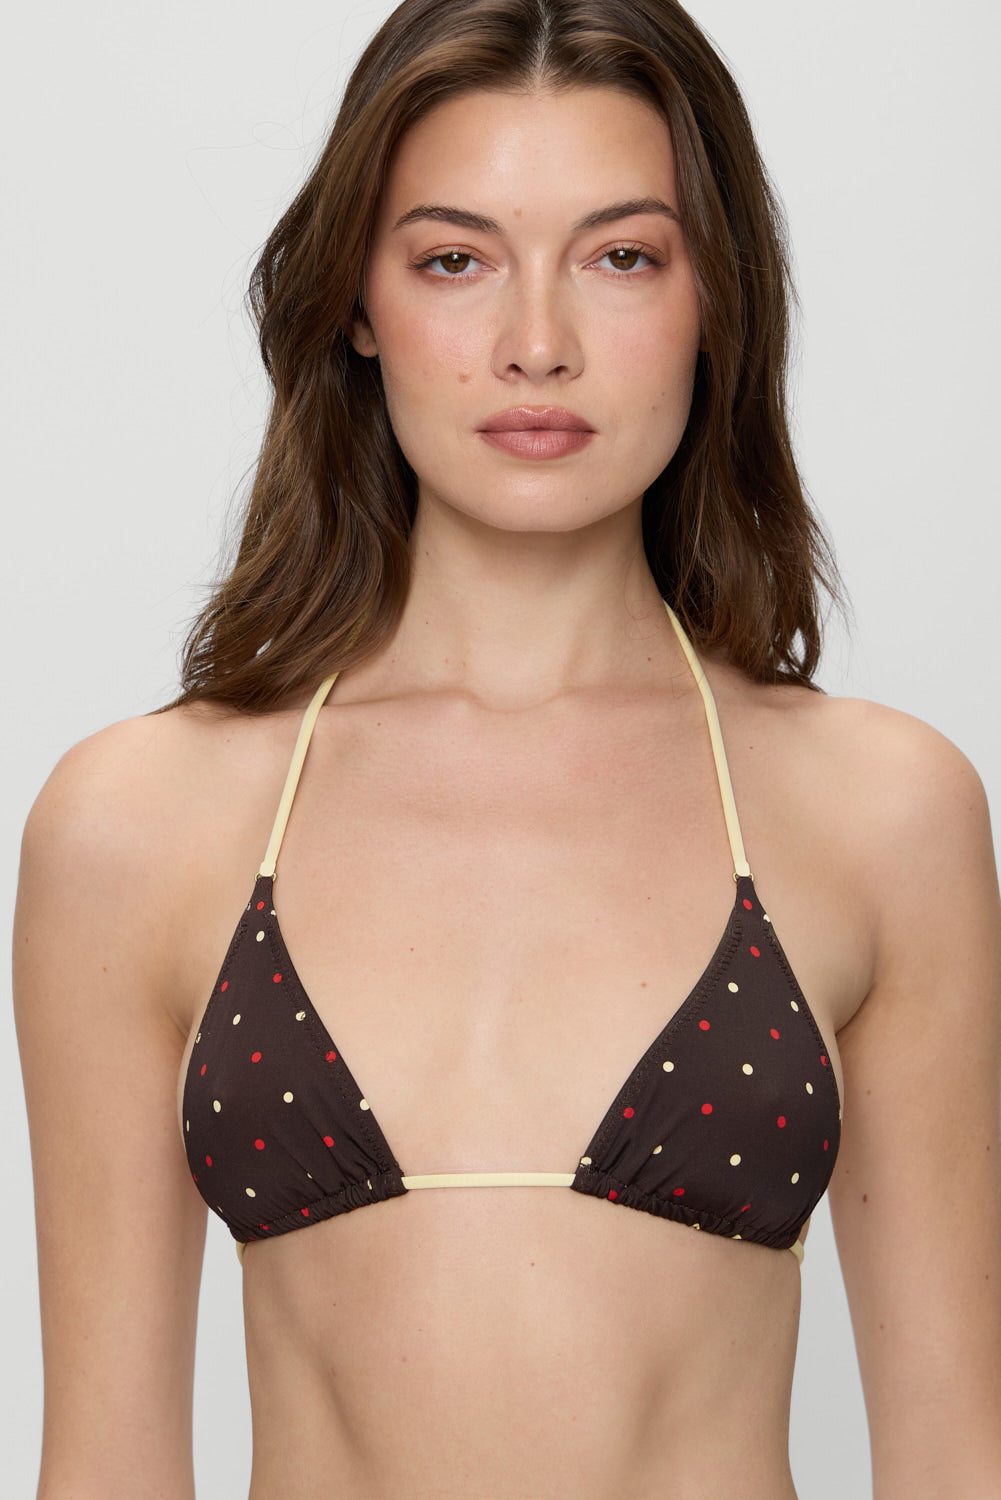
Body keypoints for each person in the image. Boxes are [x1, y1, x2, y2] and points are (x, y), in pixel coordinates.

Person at [13, 0, 1001, 1495]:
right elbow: (105, 1464)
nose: (537, 346)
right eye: (454, 261)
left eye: (622, 258)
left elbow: (951, 1453)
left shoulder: (880, 810)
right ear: (358, 302)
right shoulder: (138, 823)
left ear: (715, 298)